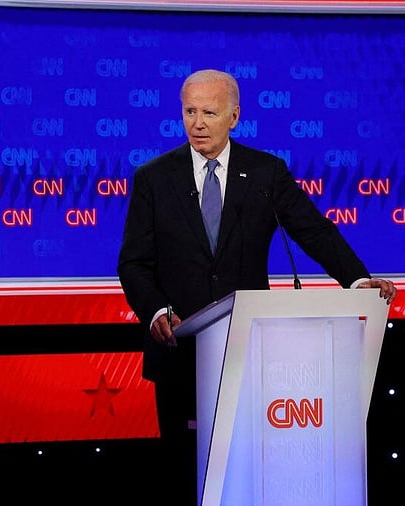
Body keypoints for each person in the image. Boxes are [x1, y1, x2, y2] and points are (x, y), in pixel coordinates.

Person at [116, 69, 397, 504]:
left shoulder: (265, 174)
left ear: (234, 116)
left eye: (209, 112)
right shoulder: (154, 178)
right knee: (180, 474)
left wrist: (358, 281)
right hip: (178, 354)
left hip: (250, 352)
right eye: (189, 111)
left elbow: (313, 231)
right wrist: (156, 311)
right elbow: (133, 263)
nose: (198, 122)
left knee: (247, 472)